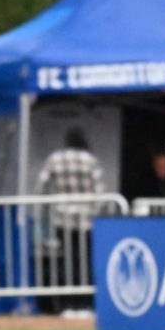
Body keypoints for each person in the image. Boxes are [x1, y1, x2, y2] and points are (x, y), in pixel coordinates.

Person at [35, 127, 104, 315]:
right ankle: (85, 306)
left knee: (67, 262)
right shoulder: (90, 161)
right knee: (85, 262)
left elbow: (41, 187)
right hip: (86, 222)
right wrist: (93, 213)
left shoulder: (55, 159)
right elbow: (99, 193)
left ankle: (67, 306)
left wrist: (48, 209)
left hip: (62, 220)